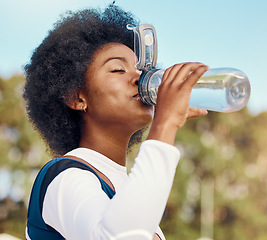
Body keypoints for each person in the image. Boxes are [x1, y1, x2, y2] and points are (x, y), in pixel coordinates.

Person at [23, 4, 208, 240]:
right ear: (77, 98)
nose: (139, 78)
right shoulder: (63, 176)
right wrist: (166, 123)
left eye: (141, 70)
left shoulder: (131, 188)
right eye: (119, 69)